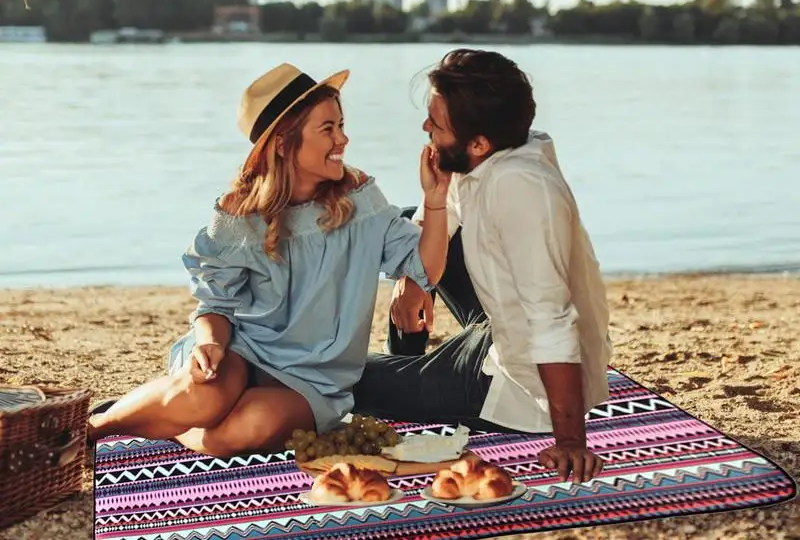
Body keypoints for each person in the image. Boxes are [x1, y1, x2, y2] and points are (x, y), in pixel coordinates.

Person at [88, 62, 451, 456]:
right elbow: (215, 306)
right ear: (282, 143)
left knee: (243, 429)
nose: (343, 139)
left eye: (341, 125)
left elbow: (425, 268)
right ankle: (95, 426)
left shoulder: (359, 199)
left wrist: (435, 200)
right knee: (203, 400)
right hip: (243, 351)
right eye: (328, 129)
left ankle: (171, 425)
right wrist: (209, 344)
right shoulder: (239, 214)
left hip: (314, 380)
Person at [353, 49, 612, 484]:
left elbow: (550, 319)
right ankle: (408, 359)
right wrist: (413, 280)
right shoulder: (493, 152)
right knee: (415, 222)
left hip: (517, 387)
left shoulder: (520, 189)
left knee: (349, 379)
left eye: (436, 124)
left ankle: (409, 378)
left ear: (478, 144)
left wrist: (570, 440)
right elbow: (448, 213)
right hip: (501, 327)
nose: (425, 128)